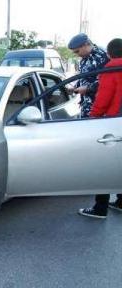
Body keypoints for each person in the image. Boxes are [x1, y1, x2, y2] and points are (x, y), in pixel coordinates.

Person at [78, 38, 122, 219]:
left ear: (109, 53)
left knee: (104, 165)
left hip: (113, 122)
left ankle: (100, 208)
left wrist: (93, 119)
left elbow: (103, 100)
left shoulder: (110, 69)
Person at [67, 33, 109, 118]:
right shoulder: (83, 60)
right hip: (87, 106)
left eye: (77, 51)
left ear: (86, 45)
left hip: (99, 109)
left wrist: (88, 88)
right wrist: (75, 87)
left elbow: (107, 81)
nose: (76, 54)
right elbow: (84, 78)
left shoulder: (103, 57)